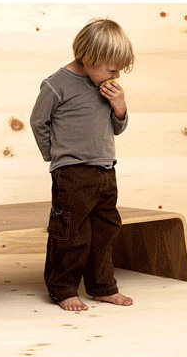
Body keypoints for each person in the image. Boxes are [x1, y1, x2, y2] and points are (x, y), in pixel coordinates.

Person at [29, 18, 135, 311]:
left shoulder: (106, 87)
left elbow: (116, 128)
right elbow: (38, 121)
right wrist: (55, 157)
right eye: (111, 69)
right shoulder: (56, 85)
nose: (116, 76)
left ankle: (103, 287)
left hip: (106, 169)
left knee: (105, 230)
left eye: (119, 70)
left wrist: (120, 106)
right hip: (73, 172)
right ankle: (63, 289)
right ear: (88, 58)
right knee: (71, 232)